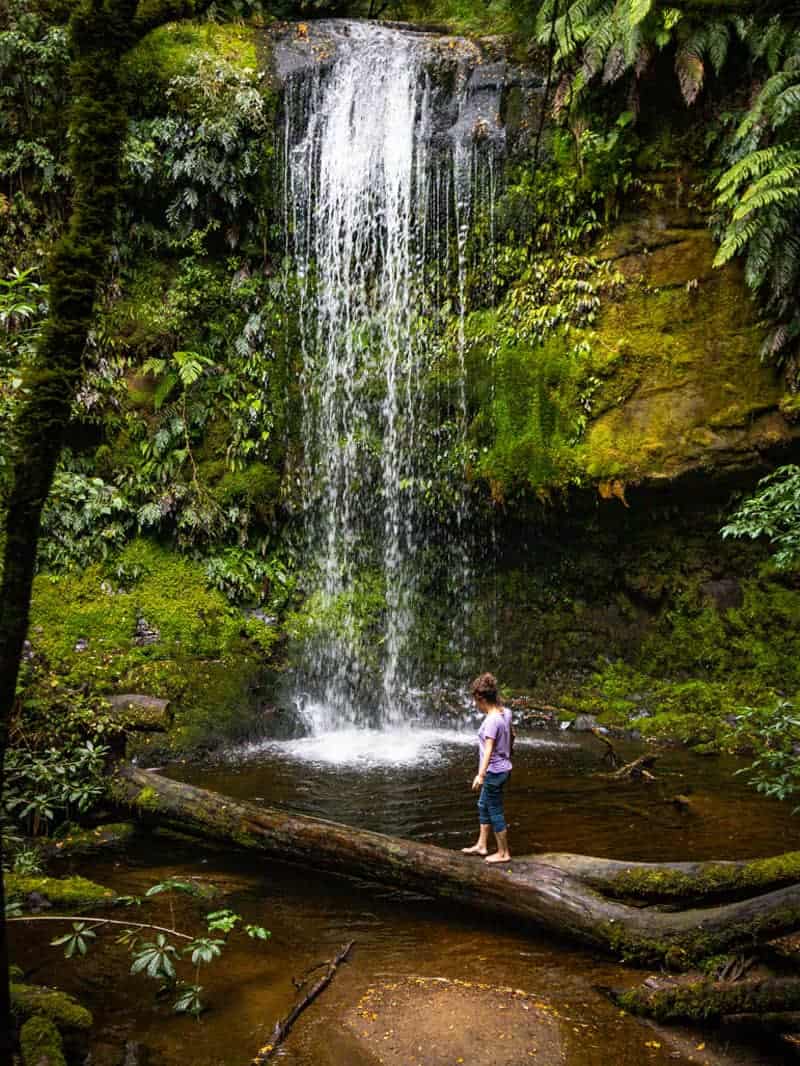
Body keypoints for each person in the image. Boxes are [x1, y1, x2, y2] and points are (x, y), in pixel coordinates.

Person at [462, 672, 513, 863]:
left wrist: (480, 775)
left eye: (475, 700)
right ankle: (482, 845)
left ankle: (503, 853)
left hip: (494, 771)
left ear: (481, 698)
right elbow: (512, 734)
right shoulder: (504, 713)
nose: (475, 705)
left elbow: (489, 748)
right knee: (483, 804)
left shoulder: (492, 720)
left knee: (495, 809)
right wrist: (509, 753)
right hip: (503, 768)